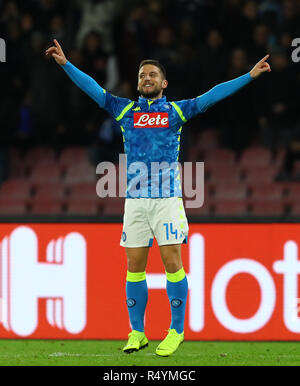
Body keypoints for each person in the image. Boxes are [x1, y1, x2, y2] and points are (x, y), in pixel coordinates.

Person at [46, 39, 271, 356]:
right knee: (134, 266)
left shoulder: (176, 111)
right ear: (138, 83)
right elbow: (94, 90)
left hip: (167, 200)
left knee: (171, 263)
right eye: (142, 75)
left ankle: (176, 331)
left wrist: (248, 76)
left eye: (152, 74)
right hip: (135, 202)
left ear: (164, 83)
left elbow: (213, 95)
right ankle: (137, 332)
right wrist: (66, 65)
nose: (146, 78)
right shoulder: (125, 109)